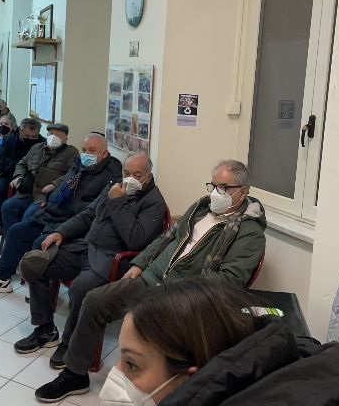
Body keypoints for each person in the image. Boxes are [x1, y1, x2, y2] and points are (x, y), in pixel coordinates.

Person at [33, 160, 267, 402]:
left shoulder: (249, 233)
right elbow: (167, 237)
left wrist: (180, 291)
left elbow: (230, 280)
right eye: (213, 186)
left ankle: (147, 388)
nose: (216, 193)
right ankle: (75, 374)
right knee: (95, 300)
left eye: (224, 188)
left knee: (148, 334)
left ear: (243, 192)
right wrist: (140, 263)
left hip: (185, 298)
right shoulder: (200, 208)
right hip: (152, 278)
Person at [116, 280, 339, 405]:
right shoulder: (197, 213)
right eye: (214, 186)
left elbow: (230, 274)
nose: (114, 375)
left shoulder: (247, 230)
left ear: (192, 376)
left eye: (131, 365)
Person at [12, 153, 165, 364]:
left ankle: (70, 343)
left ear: (148, 175)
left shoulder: (154, 202)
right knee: (34, 264)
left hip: (111, 259)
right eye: (126, 173)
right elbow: (88, 215)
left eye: (137, 175)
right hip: (84, 246)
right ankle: (45, 328)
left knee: (81, 288)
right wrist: (61, 232)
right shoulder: (114, 186)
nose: (130, 179)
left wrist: (118, 203)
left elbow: (135, 240)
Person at [0, 131, 120, 293]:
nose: (86, 154)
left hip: (74, 224)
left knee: (41, 243)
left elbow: (91, 212)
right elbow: (64, 183)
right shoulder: (80, 165)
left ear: (104, 153)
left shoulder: (112, 177)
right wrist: (52, 196)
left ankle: (41, 291)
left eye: (92, 151)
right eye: (84, 150)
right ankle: (2, 278)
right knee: (17, 231)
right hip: (54, 214)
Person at [0, 123, 78, 232]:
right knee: (7, 206)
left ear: (65, 139)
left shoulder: (71, 153)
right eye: (51, 134)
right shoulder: (37, 147)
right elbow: (22, 163)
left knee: (28, 215)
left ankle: (23, 239)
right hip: (27, 191)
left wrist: (54, 185)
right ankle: (11, 237)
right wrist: (19, 176)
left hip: (45, 197)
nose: (53, 137)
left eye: (58, 135)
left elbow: (74, 174)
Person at [0, 118, 45, 233]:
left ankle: (20, 224)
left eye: (34, 137)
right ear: (21, 130)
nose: (30, 139)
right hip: (8, 173)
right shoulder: (9, 139)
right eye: (27, 136)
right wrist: (17, 168)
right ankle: (1, 223)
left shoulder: (42, 143)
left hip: (31, 177)